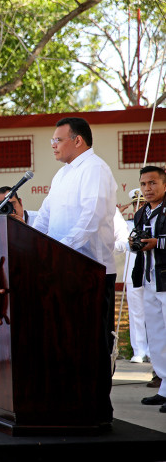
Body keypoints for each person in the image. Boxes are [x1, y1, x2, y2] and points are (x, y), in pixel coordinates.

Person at [33, 117, 118, 423]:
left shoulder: (94, 169)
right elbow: (45, 217)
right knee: (63, 340)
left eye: (58, 140)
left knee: (91, 343)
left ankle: (96, 410)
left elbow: (90, 218)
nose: (53, 145)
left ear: (78, 140)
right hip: (61, 270)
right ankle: (67, 403)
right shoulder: (62, 175)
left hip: (90, 272)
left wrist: (59, 251)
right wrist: (27, 237)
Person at [130, 166, 166, 414]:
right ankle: (164, 387)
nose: (147, 189)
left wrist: (158, 243)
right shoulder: (142, 212)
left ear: (164, 184)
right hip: (150, 279)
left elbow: (157, 241)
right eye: (143, 184)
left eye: (152, 183)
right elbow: (138, 242)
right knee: (156, 337)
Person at [120, 189, 150, 364]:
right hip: (134, 275)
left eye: (141, 203)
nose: (138, 206)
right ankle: (139, 350)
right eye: (135, 204)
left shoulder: (154, 221)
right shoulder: (127, 225)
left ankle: (153, 351)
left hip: (152, 274)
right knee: (136, 313)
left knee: (154, 316)